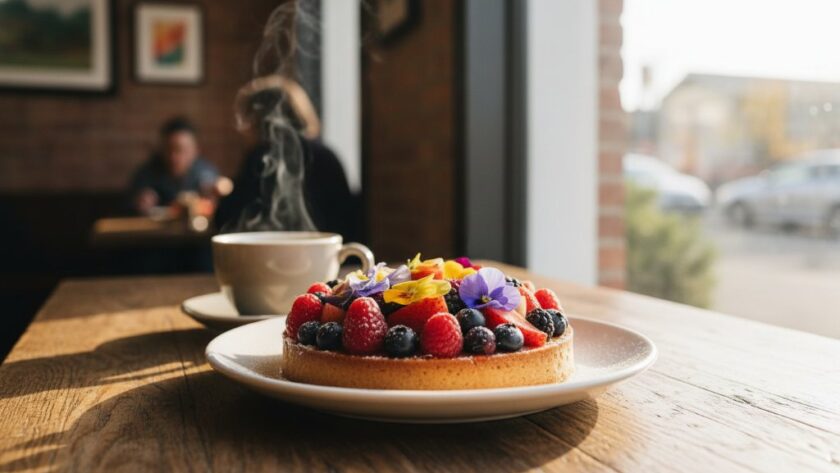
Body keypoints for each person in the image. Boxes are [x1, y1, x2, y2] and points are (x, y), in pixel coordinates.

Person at [216, 76, 361, 241]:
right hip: (334, 257)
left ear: (258, 119)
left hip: (278, 262)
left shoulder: (262, 157)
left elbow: (227, 218)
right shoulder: (327, 154)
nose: (243, 128)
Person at [129, 117, 222, 215]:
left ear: (196, 150)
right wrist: (140, 200)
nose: (173, 157)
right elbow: (130, 202)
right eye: (168, 149)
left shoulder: (206, 172)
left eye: (180, 150)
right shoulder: (146, 173)